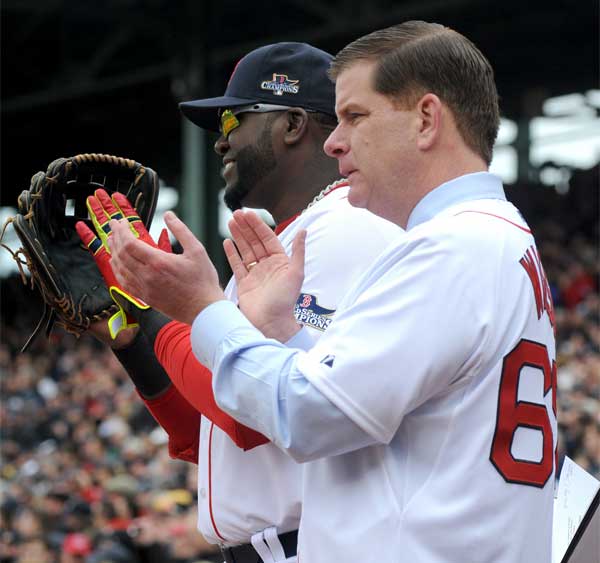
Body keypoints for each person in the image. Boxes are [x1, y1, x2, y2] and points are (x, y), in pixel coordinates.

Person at [106, 21, 557, 562]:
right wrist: (286, 335)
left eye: (355, 117)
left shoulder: (448, 244)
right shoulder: (492, 235)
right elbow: (360, 405)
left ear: (426, 119)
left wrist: (195, 310)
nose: (336, 139)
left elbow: (305, 416)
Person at [81, 41, 400, 563]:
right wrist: (136, 341)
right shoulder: (281, 246)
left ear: (293, 123)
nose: (219, 144)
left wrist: (156, 306)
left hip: (318, 546)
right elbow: (209, 430)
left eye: (232, 123)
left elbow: (258, 416)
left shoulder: (347, 228)